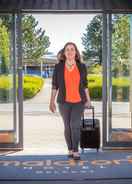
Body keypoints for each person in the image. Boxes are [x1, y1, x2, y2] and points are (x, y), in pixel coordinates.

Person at [49, 42, 91, 160]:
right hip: (64, 102)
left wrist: (88, 100)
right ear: (64, 53)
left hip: (79, 101)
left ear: (76, 52)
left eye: (72, 49)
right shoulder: (58, 67)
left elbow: (85, 85)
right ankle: (70, 149)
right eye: (67, 49)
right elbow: (54, 86)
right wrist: (51, 101)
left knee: (75, 125)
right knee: (67, 126)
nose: (70, 51)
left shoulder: (82, 66)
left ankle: (76, 151)